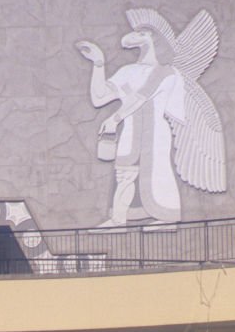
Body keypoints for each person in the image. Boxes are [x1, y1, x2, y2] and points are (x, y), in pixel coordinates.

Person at [76, 13, 187, 228]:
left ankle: (167, 217)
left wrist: (115, 118)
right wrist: (98, 64)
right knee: (124, 173)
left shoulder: (166, 73)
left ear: (155, 40)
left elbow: (141, 97)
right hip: (130, 130)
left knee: (158, 172)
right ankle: (118, 219)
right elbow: (99, 98)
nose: (135, 37)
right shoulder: (127, 71)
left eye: (142, 34)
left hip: (155, 133)